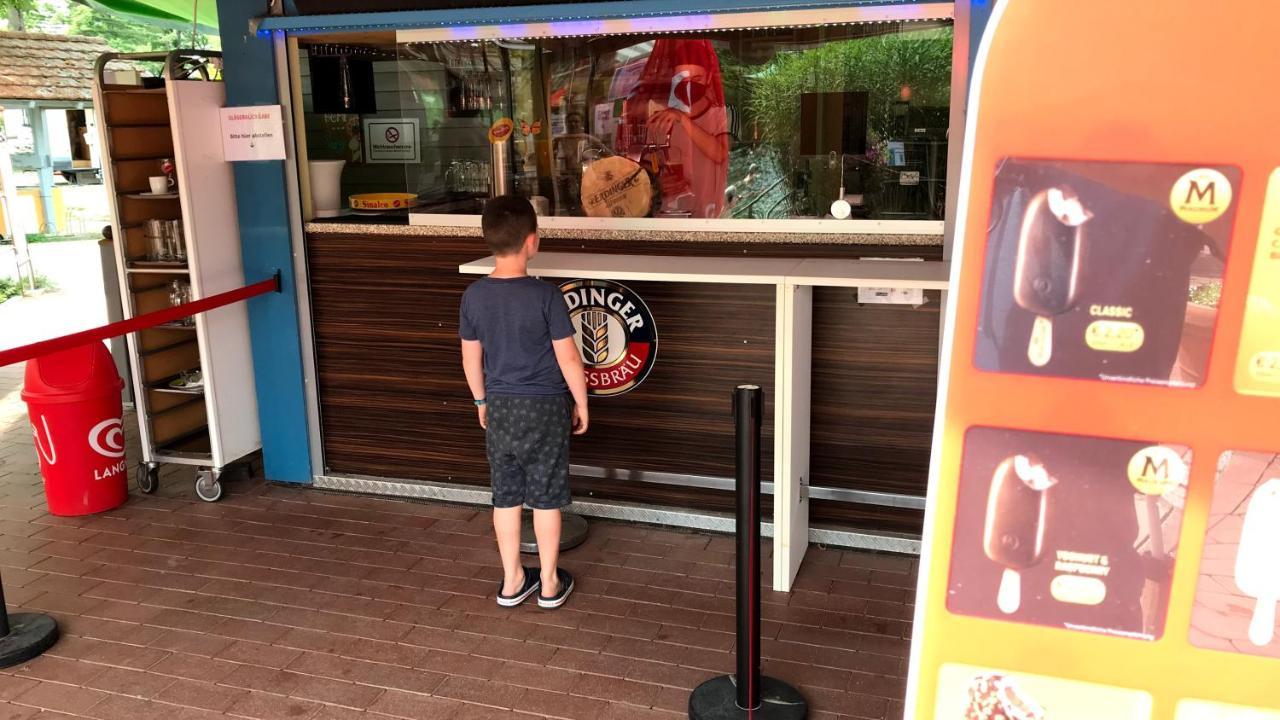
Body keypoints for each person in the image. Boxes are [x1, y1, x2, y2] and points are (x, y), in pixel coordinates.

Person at [459, 196, 589, 609]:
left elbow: (470, 357)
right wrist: (581, 402)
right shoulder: (546, 296)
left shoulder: (474, 296)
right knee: (546, 497)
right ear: (532, 241)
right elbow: (568, 357)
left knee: (506, 495)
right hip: (546, 407)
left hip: (501, 407)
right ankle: (549, 583)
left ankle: (513, 580)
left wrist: (481, 400)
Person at [622, 38, 730, 218]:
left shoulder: (719, 113)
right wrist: (658, 181)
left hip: (708, 216)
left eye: (696, 79)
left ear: (709, 76)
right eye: (682, 79)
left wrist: (682, 119)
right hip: (670, 217)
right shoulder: (660, 117)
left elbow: (720, 154)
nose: (689, 86)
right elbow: (649, 164)